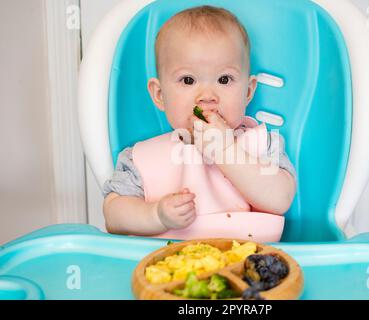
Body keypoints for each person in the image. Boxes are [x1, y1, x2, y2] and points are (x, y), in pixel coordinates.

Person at [102, 6, 297, 241]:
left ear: (248, 91)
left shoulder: (262, 145)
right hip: (171, 270)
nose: (207, 96)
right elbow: (113, 215)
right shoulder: (141, 158)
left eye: (224, 79)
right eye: (188, 80)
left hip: (248, 267)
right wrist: (156, 215)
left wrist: (226, 151)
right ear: (160, 95)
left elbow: (281, 199)